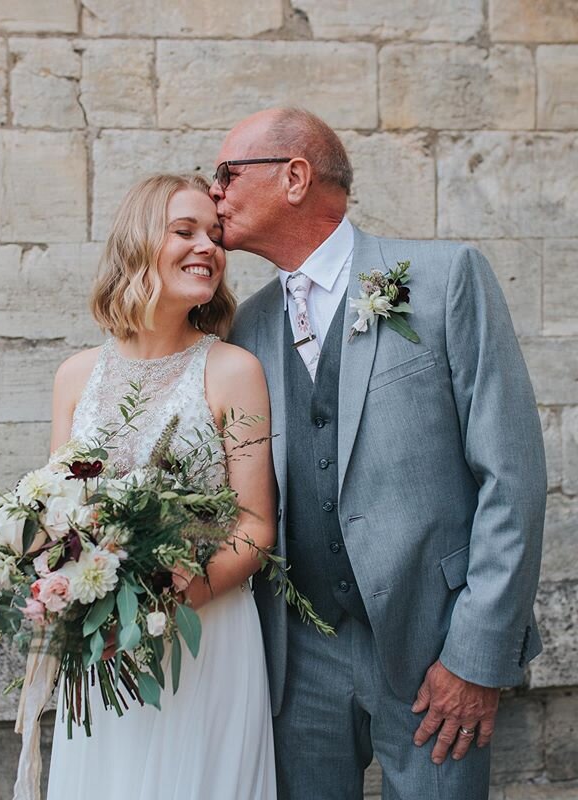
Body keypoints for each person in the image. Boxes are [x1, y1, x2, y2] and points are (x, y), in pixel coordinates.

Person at [214, 108, 547, 800]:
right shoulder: (244, 326)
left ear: (295, 177)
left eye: (226, 174)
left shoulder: (444, 277)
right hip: (296, 660)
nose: (215, 192)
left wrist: (477, 657)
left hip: (436, 650)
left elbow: (510, 476)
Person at [45, 173, 277, 799]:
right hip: (102, 648)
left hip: (204, 637)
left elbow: (255, 524)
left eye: (215, 235)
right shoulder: (75, 377)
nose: (208, 246)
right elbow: (56, 518)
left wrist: (173, 600)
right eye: (185, 231)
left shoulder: (234, 371)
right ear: (139, 243)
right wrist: (57, 586)